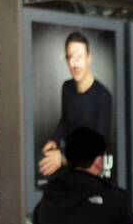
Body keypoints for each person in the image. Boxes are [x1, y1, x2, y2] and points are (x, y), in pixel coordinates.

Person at [40, 32, 114, 178]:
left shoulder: (103, 96)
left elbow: (98, 146)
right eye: (70, 57)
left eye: (79, 56)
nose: (74, 63)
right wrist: (54, 139)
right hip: (69, 168)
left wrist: (62, 158)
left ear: (89, 59)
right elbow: (65, 120)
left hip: (91, 172)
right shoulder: (66, 87)